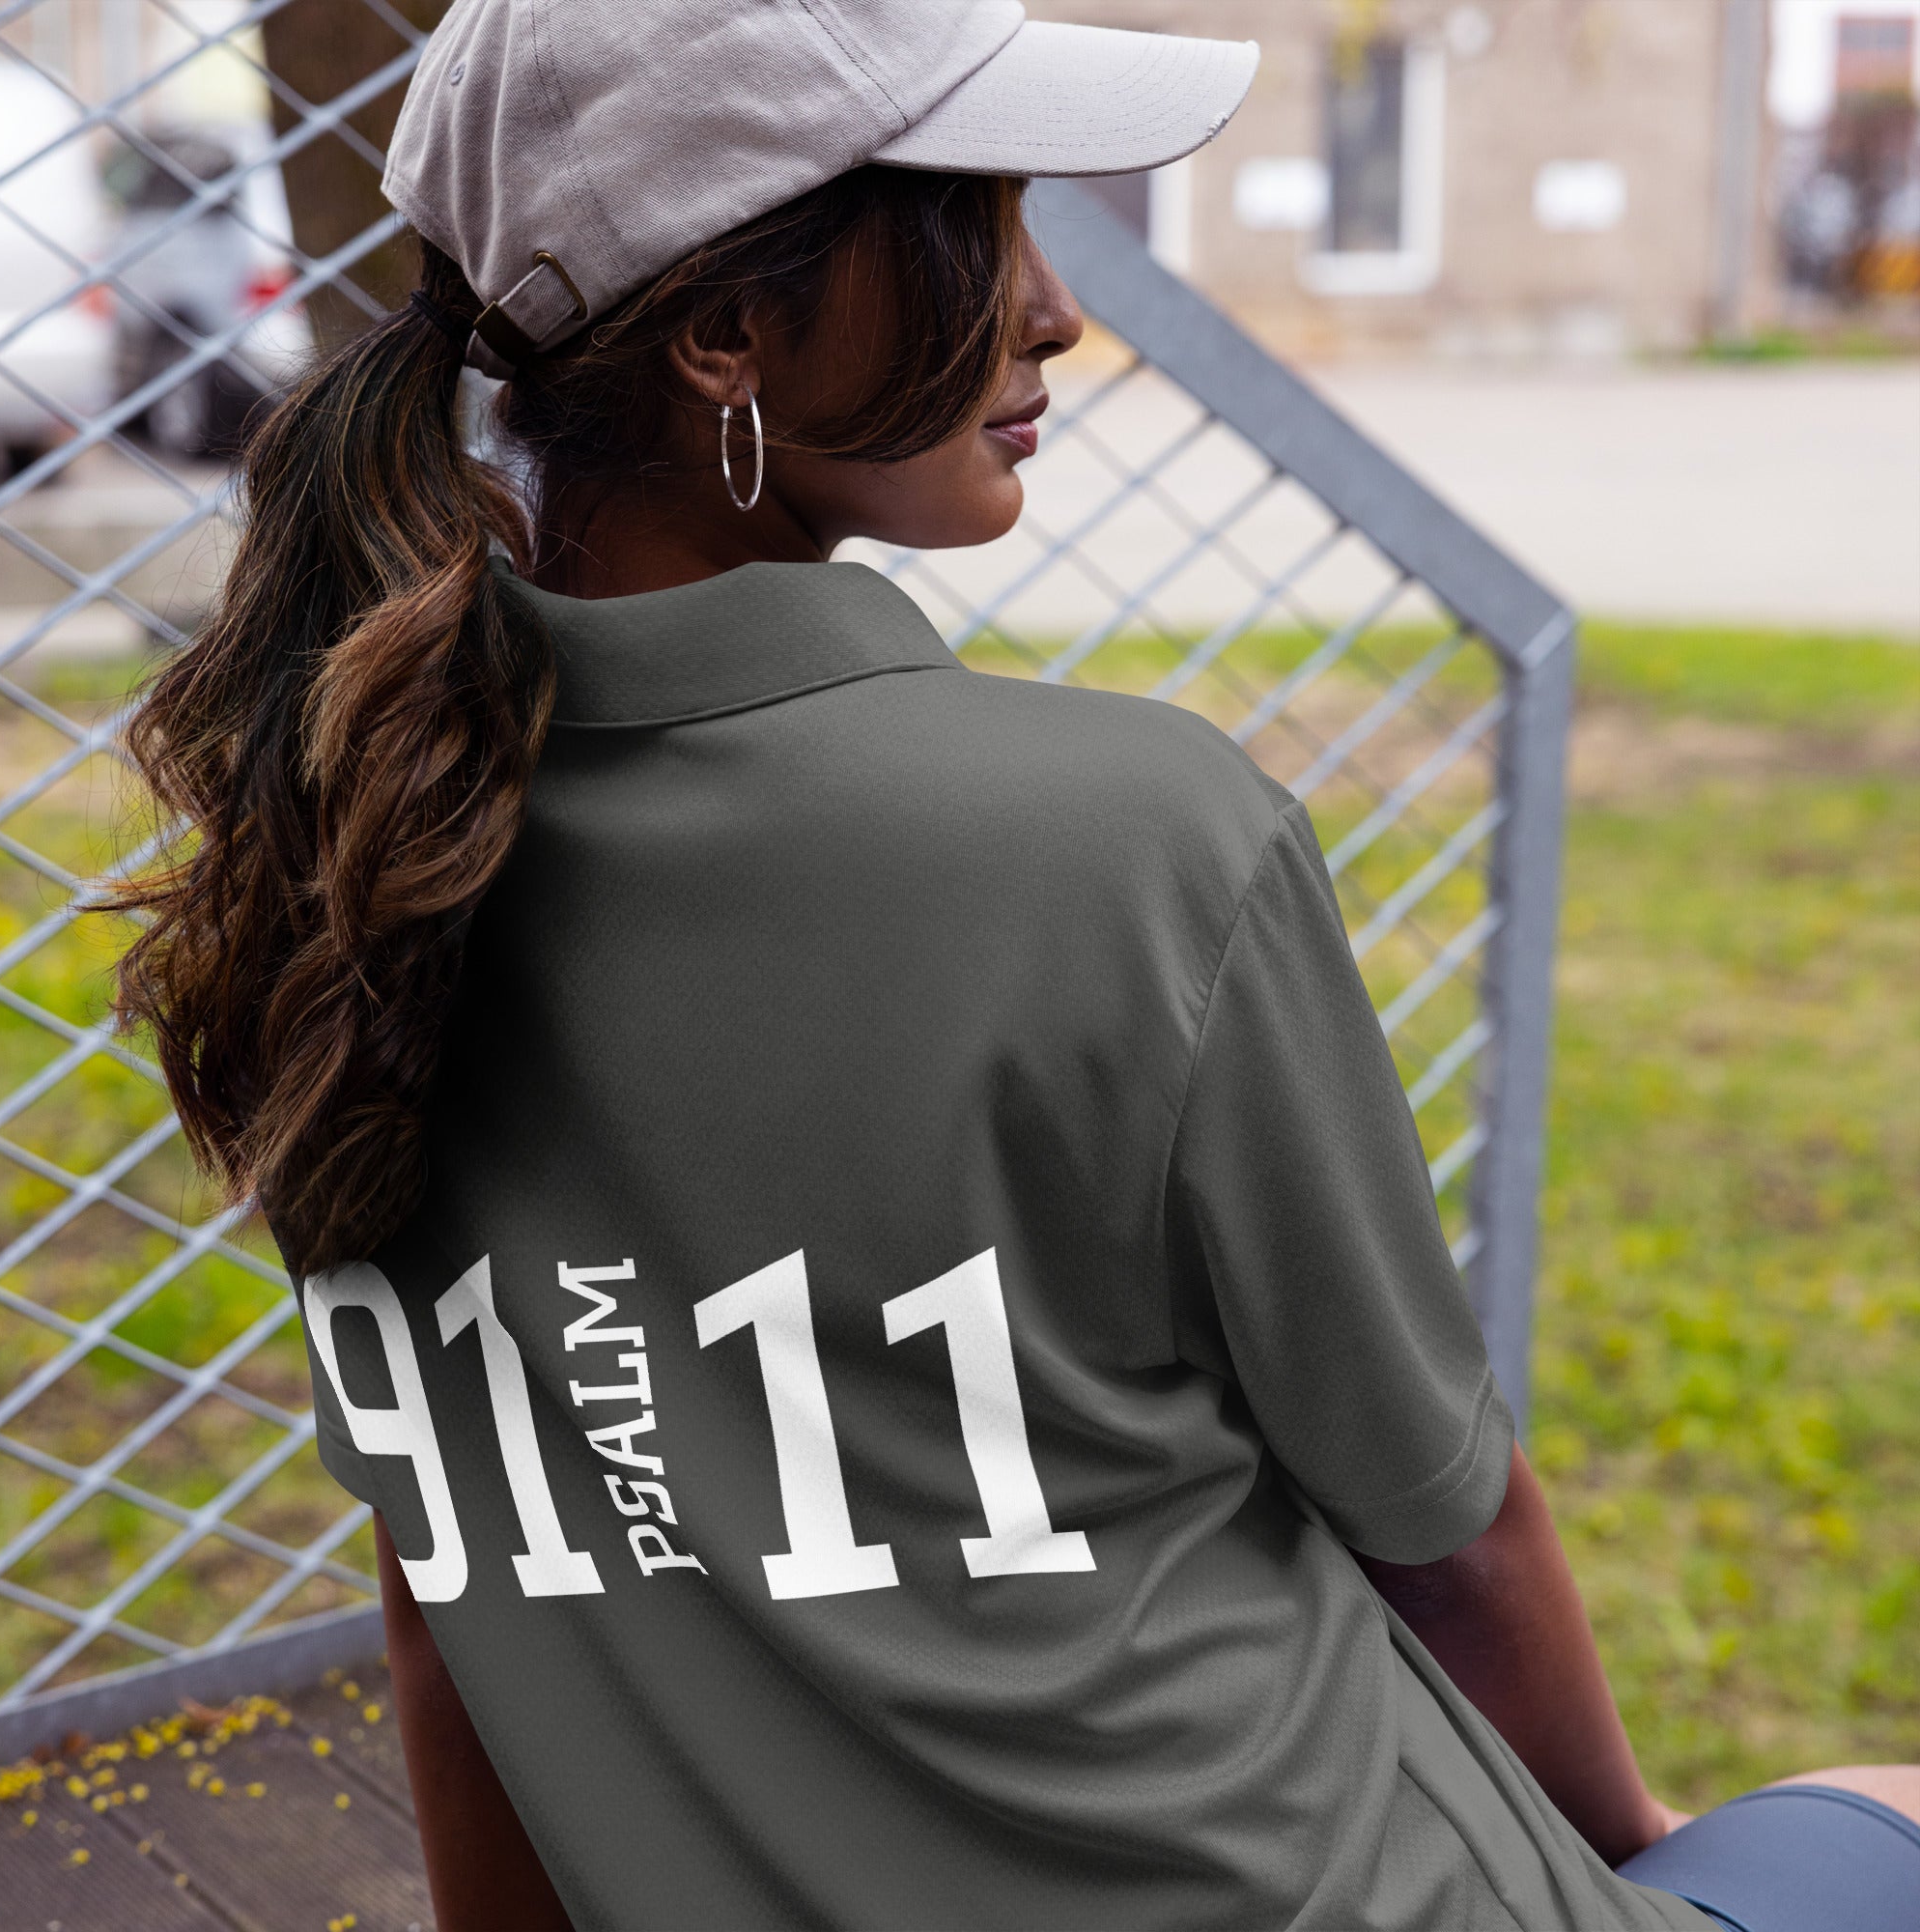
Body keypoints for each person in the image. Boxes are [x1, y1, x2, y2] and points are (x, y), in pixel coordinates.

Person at [111, 5, 1920, 1929]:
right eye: (972, 221)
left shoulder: (345, 874)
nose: (1051, 306)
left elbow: (452, 1608)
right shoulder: (1134, 837)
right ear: (723, 333)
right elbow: (1447, 1527)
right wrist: (1635, 1853)